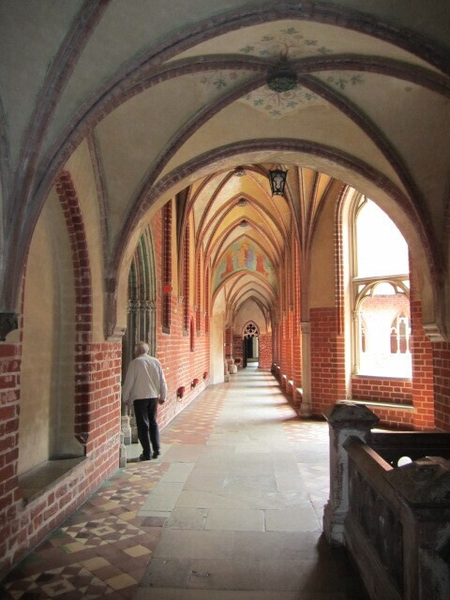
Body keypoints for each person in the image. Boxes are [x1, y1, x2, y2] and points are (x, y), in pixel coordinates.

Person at [122, 342, 167, 461]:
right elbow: (162, 380)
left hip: (140, 398)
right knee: (153, 423)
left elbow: (129, 382)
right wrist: (163, 395)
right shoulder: (156, 361)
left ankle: (147, 453)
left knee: (142, 425)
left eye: (134, 350)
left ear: (137, 351)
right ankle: (157, 450)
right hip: (153, 397)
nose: (133, 352)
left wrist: (124, 397)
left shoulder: (135, 363)